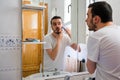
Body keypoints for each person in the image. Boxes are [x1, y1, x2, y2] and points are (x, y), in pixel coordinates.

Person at [85, 1, 120, 80]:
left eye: (88, 16)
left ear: (96, 19)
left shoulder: (96, 36)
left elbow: (91, 70)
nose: (86, 20)